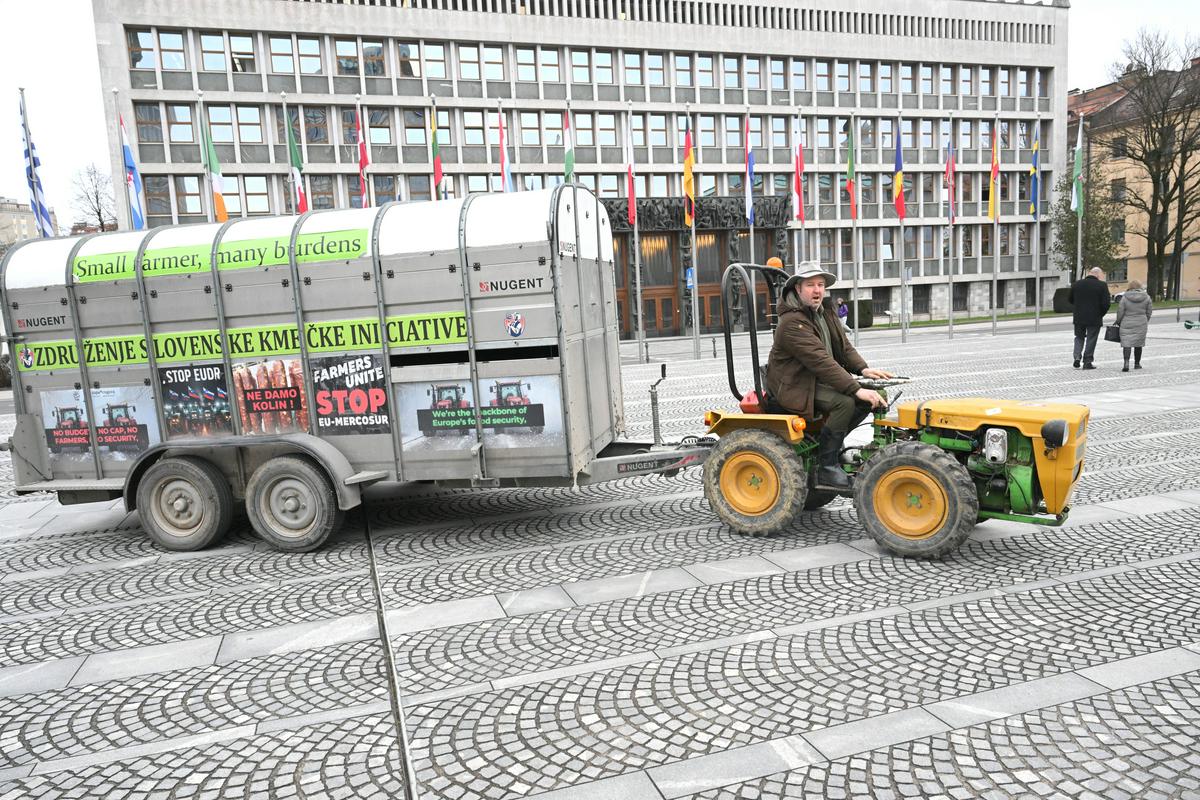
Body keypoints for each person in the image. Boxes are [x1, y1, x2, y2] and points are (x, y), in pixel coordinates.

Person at [766, 262, 893, 489]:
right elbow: (821, 361)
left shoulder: (824, 312)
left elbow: (843, 347)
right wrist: (855, 388)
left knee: (876, 395)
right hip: (795, 386)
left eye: (821, 285)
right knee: (845, 403)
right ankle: (827, 466)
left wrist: (863, 369)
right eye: (810, 285)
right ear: (797, 288)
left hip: (815, 382)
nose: (817, 290)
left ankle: (830, 446)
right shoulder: (792, 322)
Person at [1068, 267, 1112, 370]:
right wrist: (1101, 314)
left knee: (1079, 337)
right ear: (1098, 275)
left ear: (1090, 273)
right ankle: (1087, 361)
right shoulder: (1102, 285)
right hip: (1094, 317)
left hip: (1079, 317)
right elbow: (1106, 304)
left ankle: (1077, 357)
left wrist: (1078, 307)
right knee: (1091, 339)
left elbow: (1070, 299)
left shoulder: (1077, 284)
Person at [1116, 279, 1152, 371]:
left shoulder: (1124, 297)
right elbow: (1149, 312)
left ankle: (1126, 363)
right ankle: (1137, 363)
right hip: (1141, 322)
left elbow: (1120, 311)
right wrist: (1145, 320)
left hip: (1126, 322)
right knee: (1138, 343)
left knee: (1126, 343)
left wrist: (1119, 321)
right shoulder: (1147, 297)